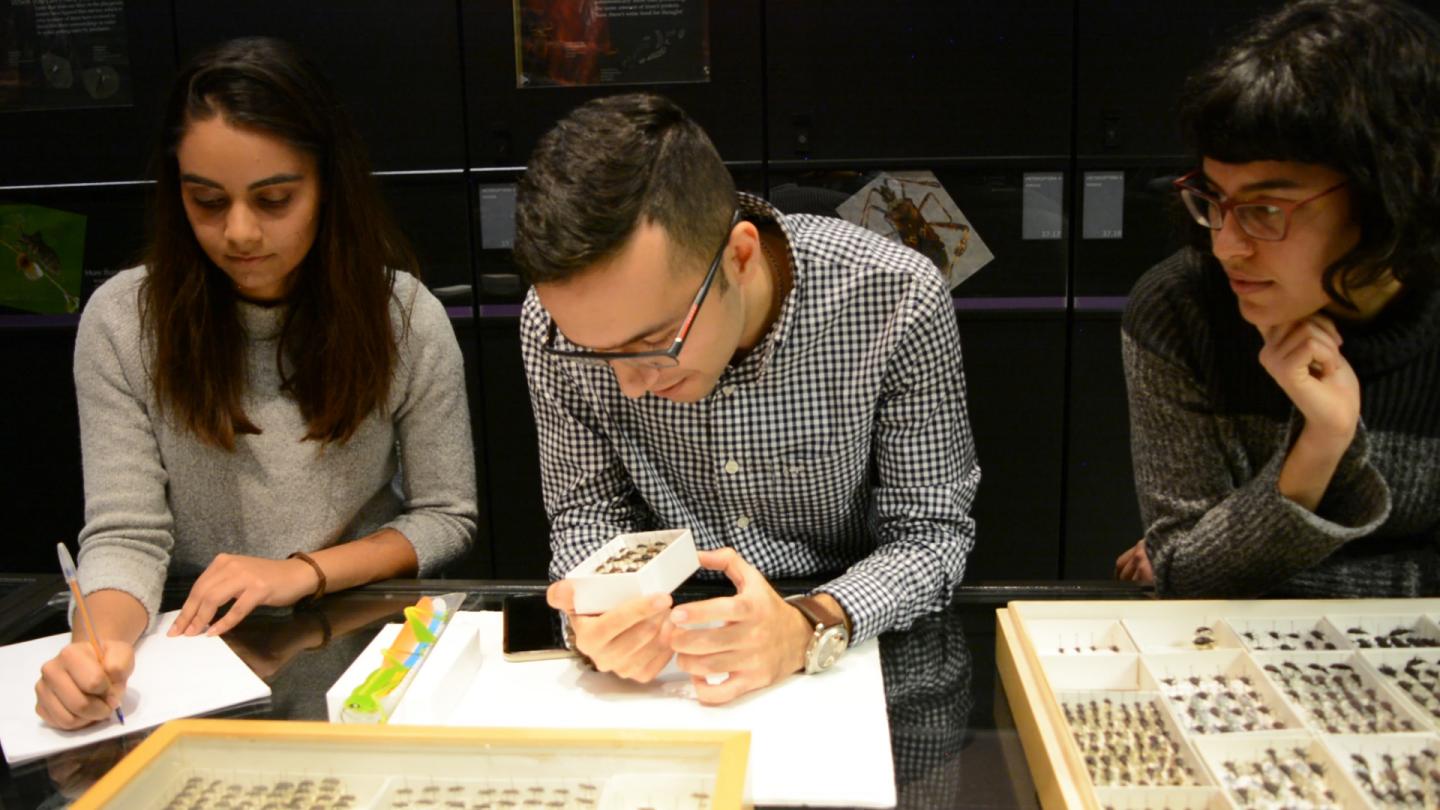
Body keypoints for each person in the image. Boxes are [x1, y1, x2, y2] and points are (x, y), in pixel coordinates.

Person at [34, 37, 477, 729]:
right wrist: (98, 649)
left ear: (328, 184)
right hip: (192, 652)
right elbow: (126, 534)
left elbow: (446, 515)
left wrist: (304, 570)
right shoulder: (123, 321)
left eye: (274, 199)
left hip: (358, 645)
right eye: (207, 201)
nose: (239, 232)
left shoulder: (403, 315)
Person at [515, 93, 979, 704]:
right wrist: (596, 616)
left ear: (739, 256)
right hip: (669, 653)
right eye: (593, 352)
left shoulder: (896, 298)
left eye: (653, 343)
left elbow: (930, 533)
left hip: (846, 641)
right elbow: (587, 514)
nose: (628, 384)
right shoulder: (550, 327)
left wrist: (810, 623)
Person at [1115, 0, 1440, 597]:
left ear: (1391, 193)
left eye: (1265, 209)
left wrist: (1260, 566)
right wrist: (1321, 444)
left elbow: (1180, 571)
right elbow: (1185, 574)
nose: (1226, 247)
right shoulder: (1180, 307)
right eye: (1214, 198)